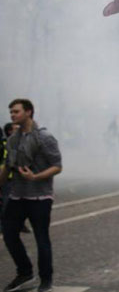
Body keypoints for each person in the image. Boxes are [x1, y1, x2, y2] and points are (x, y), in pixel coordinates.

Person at [1, 99, 62, 292]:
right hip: (18, 195)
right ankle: (25, 272)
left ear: (28, 112)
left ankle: (46, 280)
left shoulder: (45, 137)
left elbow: (57, 166)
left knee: (41, 238)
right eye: (11, 112)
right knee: (9, 234)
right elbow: (8, 166)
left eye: (16, 111)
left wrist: (35, 177)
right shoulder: (12, 139)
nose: (12, 115)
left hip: (40, 197)